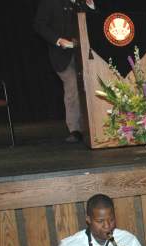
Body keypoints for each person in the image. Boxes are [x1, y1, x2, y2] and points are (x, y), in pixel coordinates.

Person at [34, 0, 96, 143]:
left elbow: (94, 22)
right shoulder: (51, 2)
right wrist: (58, 40)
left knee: (92, 85)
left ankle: (93, 124)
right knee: (73, 86)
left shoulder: (81, 3)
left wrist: (90, 6)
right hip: (62, 55)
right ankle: (75, 130)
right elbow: (39, 25)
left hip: (86, 54)